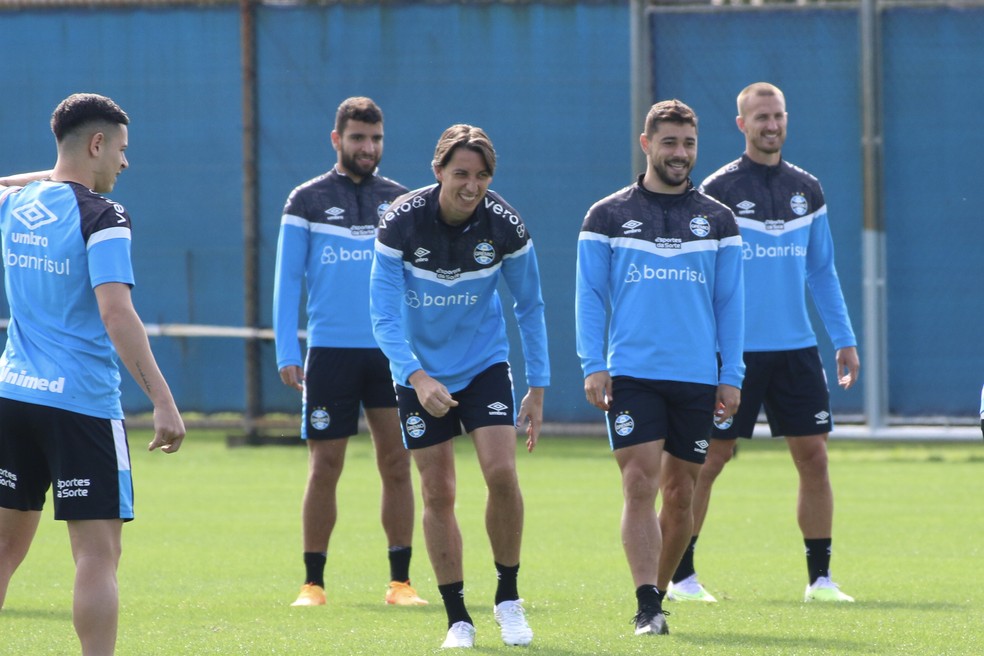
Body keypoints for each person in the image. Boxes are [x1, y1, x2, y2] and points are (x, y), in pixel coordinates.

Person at [0, 93, 186, 655]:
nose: (124, 164)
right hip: (81, 405)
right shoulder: (104, 216)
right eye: (121, 150)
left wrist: (60, 173)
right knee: (97, 556)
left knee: (5, 551)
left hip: (13, 397)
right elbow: (116, 312)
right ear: (98, 144)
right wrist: (163, 399)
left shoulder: (16, 205)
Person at [668, 82, 860, 604]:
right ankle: (681, 577)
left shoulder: (808, 189)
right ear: (741, 125)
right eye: (760, 117)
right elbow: (700, 276)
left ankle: (820, 580)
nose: (770, 125)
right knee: (709, 460)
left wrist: (842, 338)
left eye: (777, 116)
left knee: (814, 458)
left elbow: (822, 271)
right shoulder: (717, 190)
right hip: (737, 353)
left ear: (786, 119)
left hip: (797, 351)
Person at [369, 124, 550, 649]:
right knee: (439, 490)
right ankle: (457, 618)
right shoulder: (400, 222)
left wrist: (537, 385)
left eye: (482, 175)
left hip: (484, 364)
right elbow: (382, 315)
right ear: (438, 171)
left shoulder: (505, 226)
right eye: (461, 174)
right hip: (418, 372)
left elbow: (530, 307)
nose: (472, 186)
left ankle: (509, 601)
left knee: (501, 473)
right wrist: (416, 376)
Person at [575, 99, 745, 637]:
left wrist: (731, 374)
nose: (680, 153)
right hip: (632, 373)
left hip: (696, 375)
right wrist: (593, 364)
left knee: (681, 494)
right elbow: (589, 297)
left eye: (688, 143)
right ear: (646, 144)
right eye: (669, 142)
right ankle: (647, 605)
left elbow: (731, 304)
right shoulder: (605, 216)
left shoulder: (719, 220)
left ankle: (659, 593)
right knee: (639, 483)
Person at [272, 96, 426, 608]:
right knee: (324, 467)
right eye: (358, 138)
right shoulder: (307, 200)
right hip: (330, 353)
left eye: (376, 138)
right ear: (336, 140)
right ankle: (312, 584)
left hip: (390, 354)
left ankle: (400, 583)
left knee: (398, 463)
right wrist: (286, 347)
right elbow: (287, 279)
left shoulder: (403, 201)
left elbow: (417, 282)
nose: (368, 147)